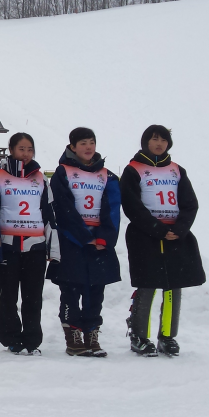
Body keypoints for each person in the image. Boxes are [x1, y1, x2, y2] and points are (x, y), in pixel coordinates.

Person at [121, 125, 205, 357]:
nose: (159, 143)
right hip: (145, 236)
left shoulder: (177, 170)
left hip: (176, 237)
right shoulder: (134, 169)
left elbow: (189, 204)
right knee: (147, 285)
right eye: (154, 139)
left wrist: (180, 228)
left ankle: (167, 336)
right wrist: (156, 229)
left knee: (173, 287)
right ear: (145, 141)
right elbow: (132, 206)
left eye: (163, 140)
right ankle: (140, 336)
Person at [50, 127, 121, 357]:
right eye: (83, 143)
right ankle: (73, 336)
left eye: (91, 142)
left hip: (99, 244)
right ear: (72, 147)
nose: (88, 147)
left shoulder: (107, 175)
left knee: (95, 291)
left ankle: (92, 333)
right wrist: (84, 237)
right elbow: (63, 208)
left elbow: (113, 209)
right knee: (70, 290)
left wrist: (103, 238)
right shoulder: (63, 173)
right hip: (72, 242)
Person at [0, 132, 55, 355]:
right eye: (21, 149)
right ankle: (11, 337)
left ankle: (32, 339)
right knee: (7, 296)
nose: (25, 154)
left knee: (33, 297)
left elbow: (49, 214)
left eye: (29, 149)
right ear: (11, 150)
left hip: (35, 246)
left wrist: (51, 246)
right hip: (8, 246)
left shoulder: (41, 180)